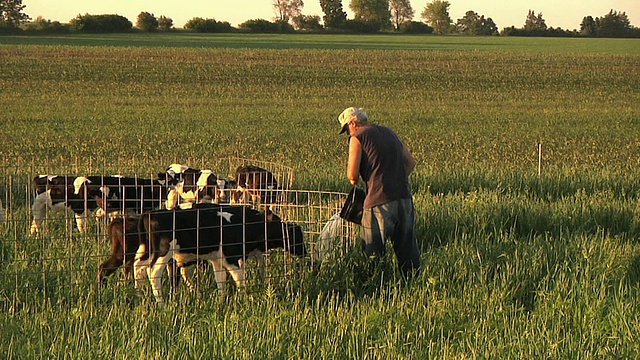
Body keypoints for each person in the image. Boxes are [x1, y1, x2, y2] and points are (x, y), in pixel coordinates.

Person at [337, 107, 421, 278]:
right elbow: (410, 163)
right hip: (404, 197)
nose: (348, 133)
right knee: (407, 250)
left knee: (373, 252)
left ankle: (377, 289)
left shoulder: (357, 137)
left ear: (353, 123)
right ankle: (413, 285)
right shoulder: (390, 132)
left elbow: (352, 176)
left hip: (378, 201)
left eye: (347, 129)